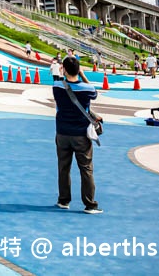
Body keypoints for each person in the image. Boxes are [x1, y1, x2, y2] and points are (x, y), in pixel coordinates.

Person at [53, 56, 102, 214]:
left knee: (63, 168)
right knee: (86, 169)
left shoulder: (57, 86)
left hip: (62, 132)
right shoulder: (87, 89)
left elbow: (62, 82)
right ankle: (89, 204)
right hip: (81, 134)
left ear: (64, 69)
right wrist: (82, 75)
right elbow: (95, 93)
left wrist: (64, 73)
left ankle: (63, 200)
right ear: (78, 69)